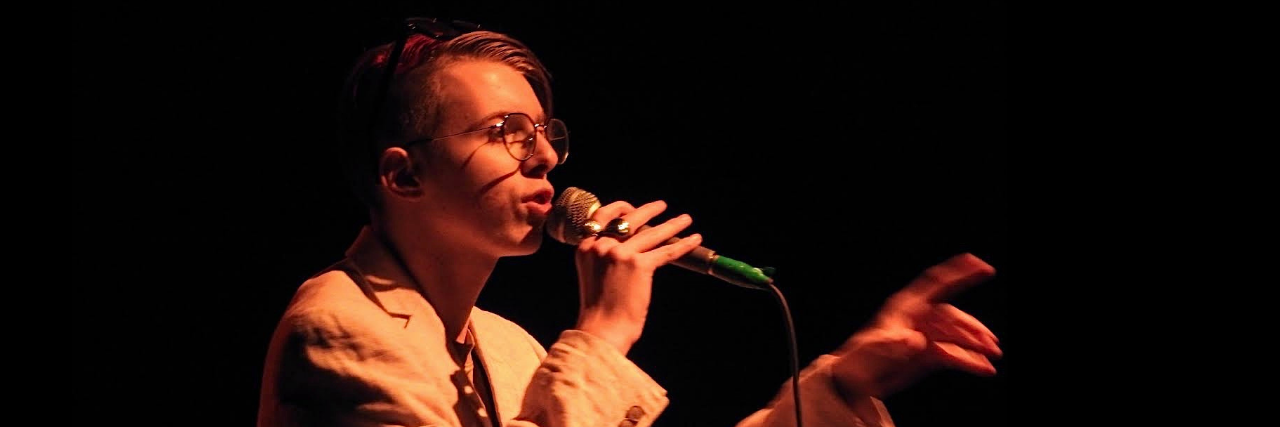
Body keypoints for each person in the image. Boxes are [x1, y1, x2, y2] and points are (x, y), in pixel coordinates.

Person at [257, 17, 1002, 427]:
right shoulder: (335, 330)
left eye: (546, 130)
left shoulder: (509, 346)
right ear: (403, 173)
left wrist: (839, 384)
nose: (544, 154)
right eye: (505, 130)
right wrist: (602, 337)